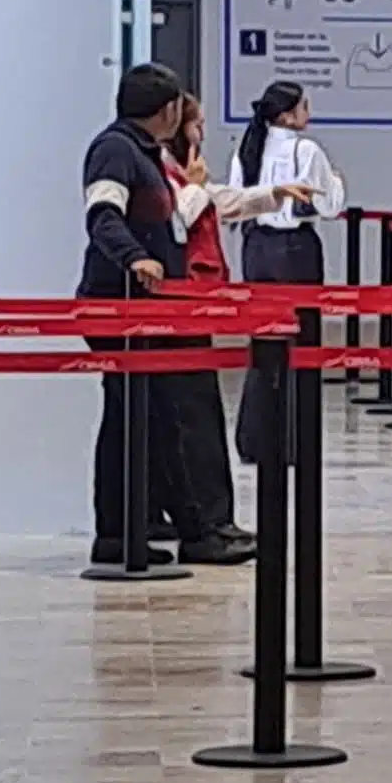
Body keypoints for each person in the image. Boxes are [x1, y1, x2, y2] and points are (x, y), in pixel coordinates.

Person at [81, 65, 194, 567]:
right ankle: (115, 532)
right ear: (167, 109)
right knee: (127, 418)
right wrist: (134, 258)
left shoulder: (144, 153)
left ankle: (140, 519)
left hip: (146, 308)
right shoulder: (116, 151)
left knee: (143, 417)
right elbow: (102, 215)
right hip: (119, 305)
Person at [149, 98, 253, 564]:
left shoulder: (176, 171)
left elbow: (219, 199)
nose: (204, 134)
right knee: (193, 414)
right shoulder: (164, 174)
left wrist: (272, 195)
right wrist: (193, 187)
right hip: (181, 305)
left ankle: (199, 514)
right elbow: (176, 221)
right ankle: (205, 520)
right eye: (199, 125)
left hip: (197, 305)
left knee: (193, 411)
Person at [226, 80, 340, 470]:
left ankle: (254, 437)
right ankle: (294, 438)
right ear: (288, 114)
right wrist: (336, 182)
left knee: (263, 344)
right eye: (304, 106)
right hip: (295, 250)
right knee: (302, 342)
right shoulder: (306, 150)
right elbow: (329, 203)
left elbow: (236, 200)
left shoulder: (247, 150)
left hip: (256, 246)